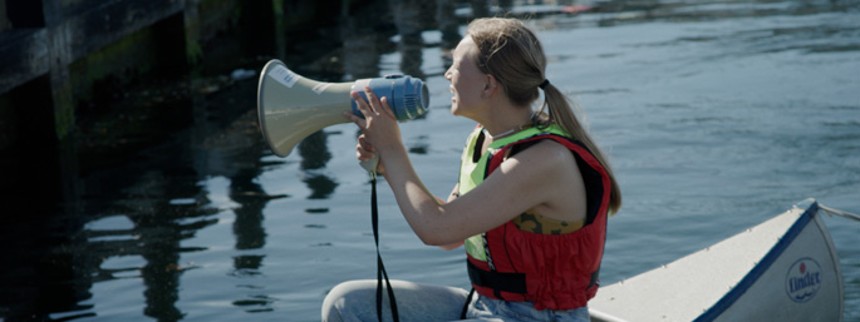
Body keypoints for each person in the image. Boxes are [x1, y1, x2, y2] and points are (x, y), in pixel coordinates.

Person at [323, 17, 622, 321]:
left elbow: (437, 230)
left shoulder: (543, 159)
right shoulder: (485, 139)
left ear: (488, 84)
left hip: (539, 316)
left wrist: (393, 149)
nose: (447, 74)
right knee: (346, 304)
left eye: (455, 65)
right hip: (485, 304)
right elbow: (452, 235)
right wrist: (388, 167)